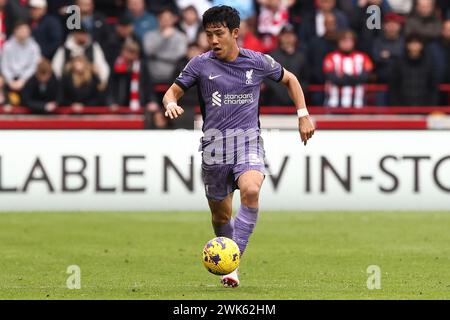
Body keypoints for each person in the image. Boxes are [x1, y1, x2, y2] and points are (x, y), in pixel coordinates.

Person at [162, 5, 315, 288]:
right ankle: (229, 257)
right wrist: (170, 102)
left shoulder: (256, 62)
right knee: (221, 215)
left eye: (219, 34)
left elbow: (291, 79)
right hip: (214, 148)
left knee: (252, 189)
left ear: (235, 33)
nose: (214, 41)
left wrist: (303, 115)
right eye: (209, 35)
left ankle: (232, 266)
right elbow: (172, 92)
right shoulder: (199, 64)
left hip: (247, 142)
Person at [323, 30, 374, 108]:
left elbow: (365, 77)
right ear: (338, 42)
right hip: (334, 103)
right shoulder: (330, 57)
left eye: (350, 40)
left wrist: (345, 76)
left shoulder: (363, 57)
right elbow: (333, 78)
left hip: (358, 103)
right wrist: (354, 78)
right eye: (344, 40)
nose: (347, 43)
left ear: (354, 42)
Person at [389, 34, 438, 106]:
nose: (414, 46)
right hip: (402, 108)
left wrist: (430, 105)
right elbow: (394, 87)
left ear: (421, 45)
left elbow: (433, 87)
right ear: (407, 45)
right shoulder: (399, 64)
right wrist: (397, 105)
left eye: (417, 43)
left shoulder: (429, 63)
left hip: (424, 107)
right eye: (411, 43)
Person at [142, 7, 188, 83]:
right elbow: (149, 51)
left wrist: (156, 56)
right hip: (154, 73)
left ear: (174, 19)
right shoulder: (149, 35)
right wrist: (163, 38)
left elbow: (180, 55)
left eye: (168, 18)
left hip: (175, 73)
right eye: (163, 18)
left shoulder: (181, 36)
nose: (165, 21)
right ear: (158, 19)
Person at [1, 21, 41, 105]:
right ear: (15, 31)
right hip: (10, 78)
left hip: (27, 79)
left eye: (26, 30)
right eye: (21, 30)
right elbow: (4, 66)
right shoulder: (7, 46)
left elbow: (33, 66)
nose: (24, 32)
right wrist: (10, 81)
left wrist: (23, 80)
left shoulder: (34, 46)